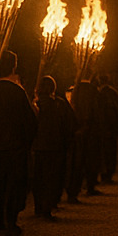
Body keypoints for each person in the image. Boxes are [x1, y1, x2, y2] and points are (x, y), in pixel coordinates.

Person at [0, 50, 36, 236]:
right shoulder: (17, 92)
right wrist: (27, 142)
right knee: (13, 186)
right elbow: (29, 121)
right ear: (13, 66)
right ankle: (10, 221)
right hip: (14, 148)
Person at [32, 75, 75, 220]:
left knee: (39, 178)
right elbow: (69, 124)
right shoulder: (59, 104)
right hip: (55, 147)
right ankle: (47, 207)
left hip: (39, 147)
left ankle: (39, 206)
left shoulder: (35, 104)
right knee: (52, 178)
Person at [66, 74, 102, 201]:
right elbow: (95, 111)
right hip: (87, 130)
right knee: (83, 161)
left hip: (78, 129)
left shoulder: (76, 90)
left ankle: (75, 190)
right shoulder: (90, 91)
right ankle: (83, 187)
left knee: (77, 162)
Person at [96, 72, 118, 182]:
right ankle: (109, 173)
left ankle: (105, 173)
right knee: (111, 152)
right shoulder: (113, 93)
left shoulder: (101, 94)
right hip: (112, 127)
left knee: (105, 152)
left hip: (106, 127)